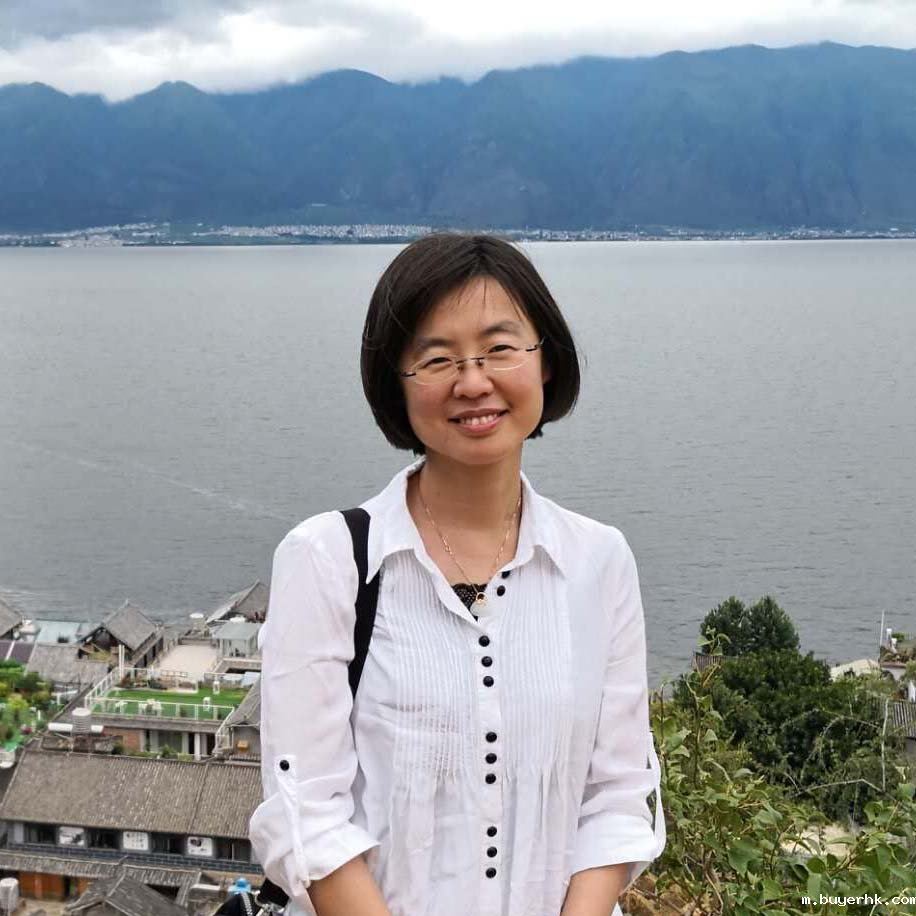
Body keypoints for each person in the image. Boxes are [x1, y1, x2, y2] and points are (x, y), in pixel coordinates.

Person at [249, 233, 666, 916]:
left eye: (500, 348)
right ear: (396, 383)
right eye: (437, 358)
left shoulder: (600, 561)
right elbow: (308, 818)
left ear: (546, 361)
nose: (473, 382)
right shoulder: (326, 559)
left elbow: (617, 797)